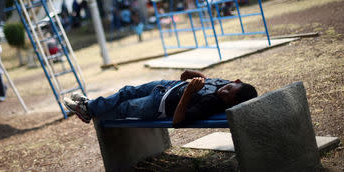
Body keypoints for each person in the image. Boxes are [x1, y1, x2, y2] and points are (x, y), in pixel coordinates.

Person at [64, 70, 257, 126]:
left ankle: (88, 109)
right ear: (236, 80)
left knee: (124, 107)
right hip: (166, 86)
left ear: (229, 104)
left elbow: (178, 121)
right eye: (228, 87)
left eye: (226, 97)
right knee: (126, 91)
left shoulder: (212, 104)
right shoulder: (225, 84)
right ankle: (89, 107)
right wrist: (195, 74)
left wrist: (189, 92)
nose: (223, 91)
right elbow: (209, 82)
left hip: (158, 104)